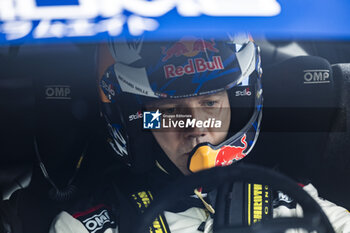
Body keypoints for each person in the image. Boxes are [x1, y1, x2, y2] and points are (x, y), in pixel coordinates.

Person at [49, 35, 350, 233]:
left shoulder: (298, 207)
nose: (196, 126)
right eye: (170, 111)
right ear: (137, 122)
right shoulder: (84, 228)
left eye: (210, 103)